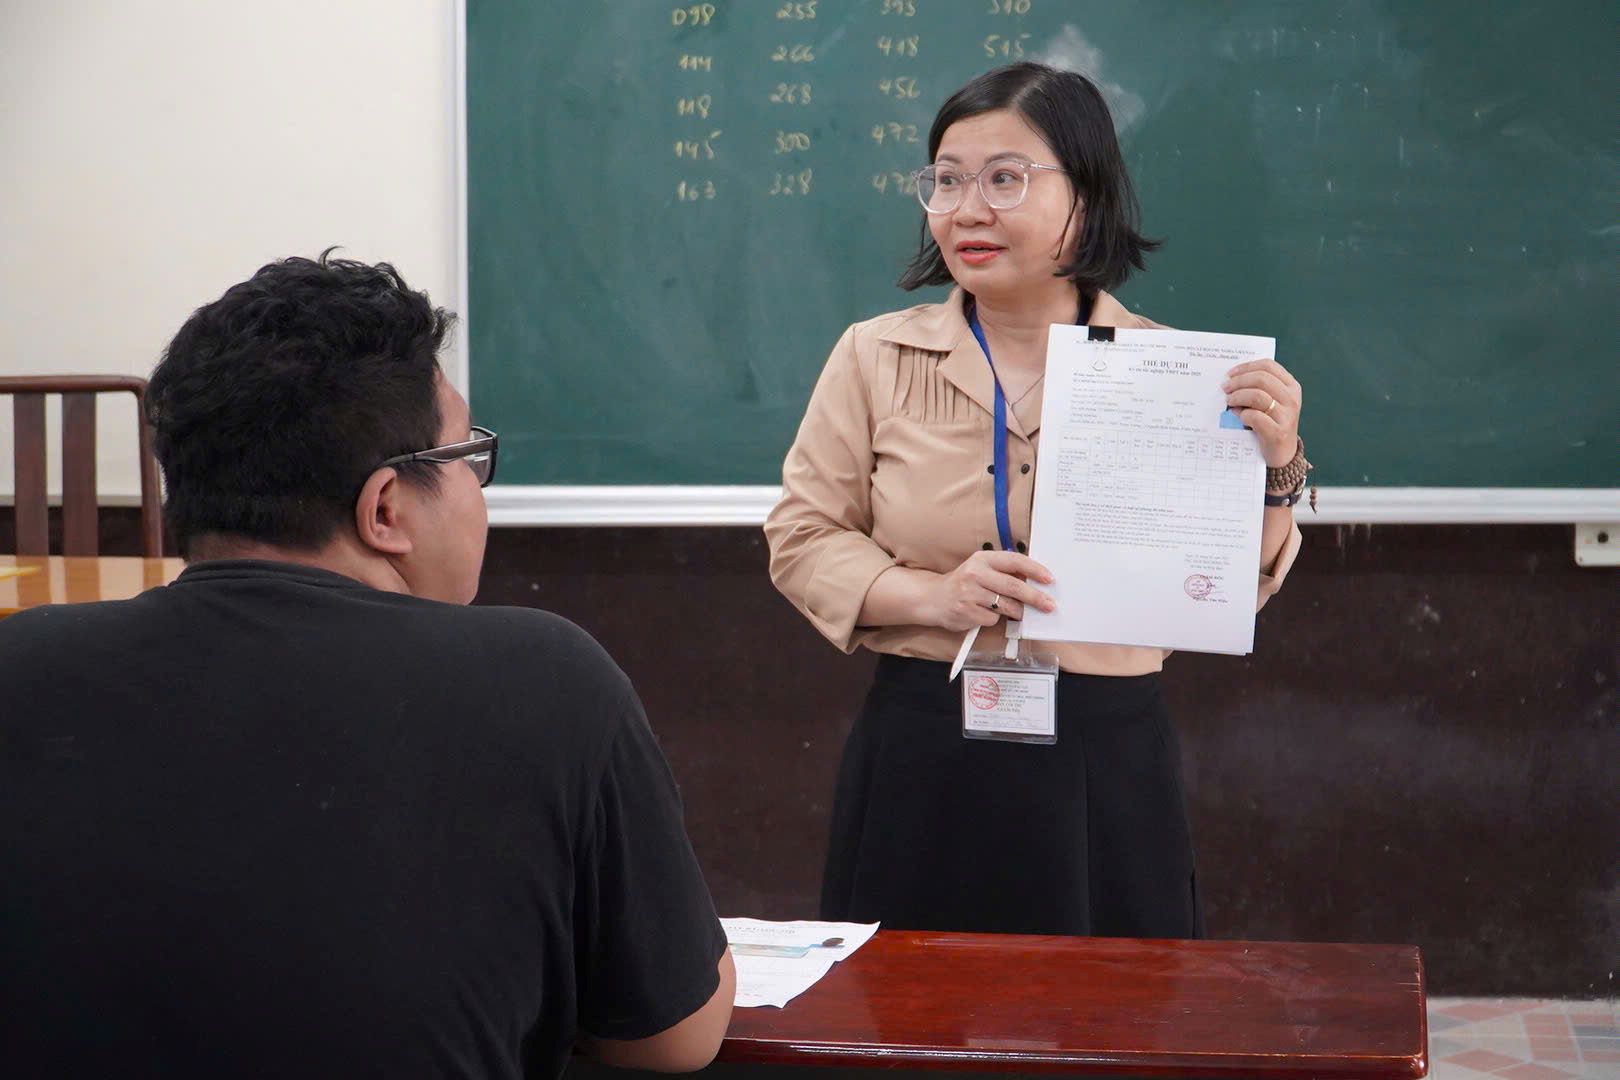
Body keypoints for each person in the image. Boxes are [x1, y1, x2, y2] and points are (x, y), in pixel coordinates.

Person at [0, 253, 734, 1078]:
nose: (475, 491)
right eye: (467, 460)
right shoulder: (545, 680)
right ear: (386, 507)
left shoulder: (20, 664)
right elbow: (673, 1037)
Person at [765, 63, 1307, 939]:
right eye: (945, 180)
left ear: (1086, 196)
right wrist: (931, 596)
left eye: (1004, 178)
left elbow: (1226, 587)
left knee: (1108, 1026)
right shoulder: (874, 356)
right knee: (909, 1026)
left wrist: (1276, 468)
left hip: (1103, 751)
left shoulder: (1180, 375)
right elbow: (802, 535)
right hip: (924, 738)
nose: (967, 208)